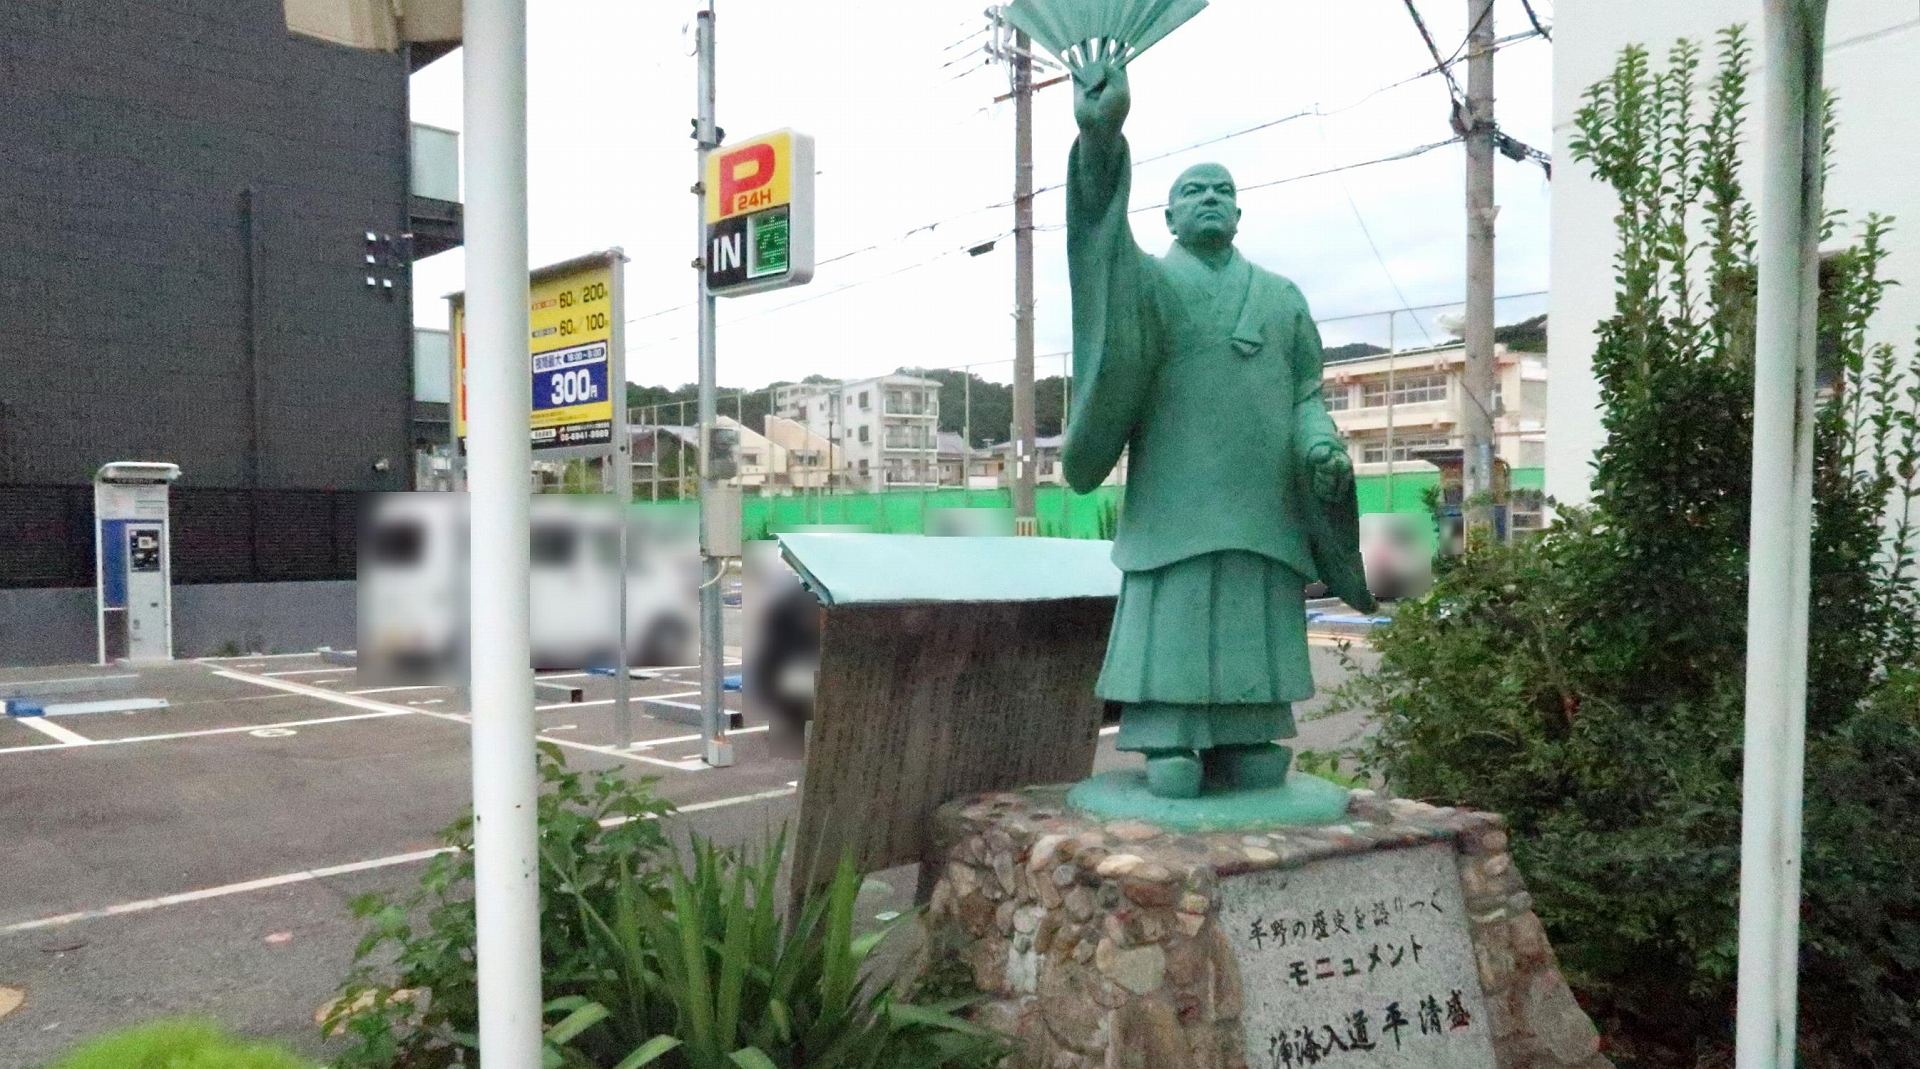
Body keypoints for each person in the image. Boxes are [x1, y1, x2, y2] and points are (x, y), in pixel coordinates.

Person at [1061, 58, 1369, 799]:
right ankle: (1168, 735)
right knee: (1177, 605)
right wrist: (1100, 139)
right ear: (1168, 218)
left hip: (1263, 501)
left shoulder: (1282, 298)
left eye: (1222, 191)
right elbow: (1097, 238)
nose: (1209, 199)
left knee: (1252, 610)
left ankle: (1250, 732)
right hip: (1175, 497)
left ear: (1238, 214)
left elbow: (1306, 393)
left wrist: (1319, 442)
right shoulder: (1149, 283)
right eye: (1192, 192)